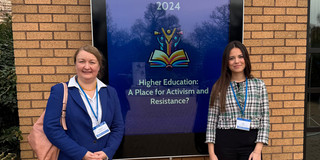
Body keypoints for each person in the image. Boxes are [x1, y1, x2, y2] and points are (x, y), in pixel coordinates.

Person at [44, 45, 124, 160]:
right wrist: (81, 154)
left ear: (99, 66)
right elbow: (51, 128)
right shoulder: (60, 91)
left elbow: (118, 127)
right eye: (82, 61)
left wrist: (107, 152)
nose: (87, 67)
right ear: (75, 64)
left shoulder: (110, 92)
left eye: (92, 62)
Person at [205, 41, 269, 160]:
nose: (237, 61)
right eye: (231, 58)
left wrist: (258, 150)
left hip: (251, 145)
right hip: (225, 144)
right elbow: (211, 121)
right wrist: (212, 153)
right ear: (226, 62)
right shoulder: (218, 86)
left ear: (246, 59)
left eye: (240, 56)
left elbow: (265, 119)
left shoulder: (259, 85)